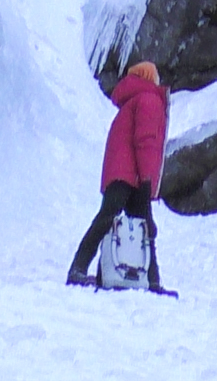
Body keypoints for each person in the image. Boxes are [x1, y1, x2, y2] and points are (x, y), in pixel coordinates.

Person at [67, 61, 168, 290]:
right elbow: (146, 142)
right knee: (129, 223)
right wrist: (147, 178)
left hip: (121, 171)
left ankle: (147, 279)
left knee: (126, 222)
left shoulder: (132, 102)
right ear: (149, 77)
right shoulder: (149, 99)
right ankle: (79, 268)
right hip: (132, 174)